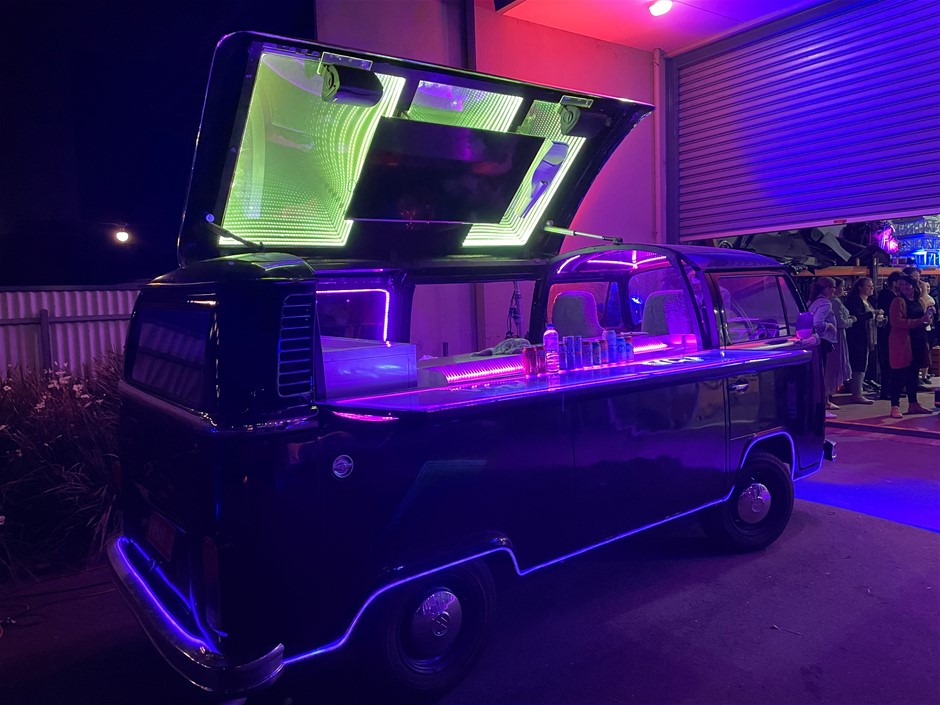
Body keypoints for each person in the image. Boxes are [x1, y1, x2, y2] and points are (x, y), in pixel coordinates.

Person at [887, 274, 933, 418]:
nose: (904, 287)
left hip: (918, 339)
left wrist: (928, 319)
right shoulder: (898, 301)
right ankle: (895, 406)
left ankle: (913, 403)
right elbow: (896, 322)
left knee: (914, 373)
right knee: (899, 374)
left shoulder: (919, 301)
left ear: (914, 286)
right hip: (903, 342)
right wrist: (920, 321)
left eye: (906, 284)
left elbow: (924, 319)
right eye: (901, 285)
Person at [844, 277, 881, 404]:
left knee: (863, 364)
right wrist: (872, 313)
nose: (872, 288)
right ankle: (857, 393)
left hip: (868, 336)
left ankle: (858, 391)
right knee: (859, 364)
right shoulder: (854, 302)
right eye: (868, 286)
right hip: (858, 337)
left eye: (872, 285)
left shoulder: (868, 301)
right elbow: (857, 317)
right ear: (860, 287)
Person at [808, 276, 838, 418]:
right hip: (822, 341)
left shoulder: (812, 301)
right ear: (826, 289)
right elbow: (817, 322)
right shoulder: (825, 303)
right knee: (821, 374)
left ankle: (818, 406)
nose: (834, 290)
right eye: (833, 287)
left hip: (813, 341)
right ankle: (821, 409)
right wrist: (829, 325)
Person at [828, 277, 855, 405]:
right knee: (833, 365)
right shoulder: (834, 302)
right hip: (836, 336)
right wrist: (852, 320)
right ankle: (827, 396)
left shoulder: (835, 301)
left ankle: (829, 394)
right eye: (842, 286)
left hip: (837, 335)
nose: (843, 289)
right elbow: (840, 323)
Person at [875, 272, 901, 399]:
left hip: (892, 331)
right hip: (887, 331)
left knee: (893, 361)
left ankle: (892, 388)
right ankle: (886, 390)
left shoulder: (894, 294)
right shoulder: (887, 295)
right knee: (887, 361)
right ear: (894, 282)